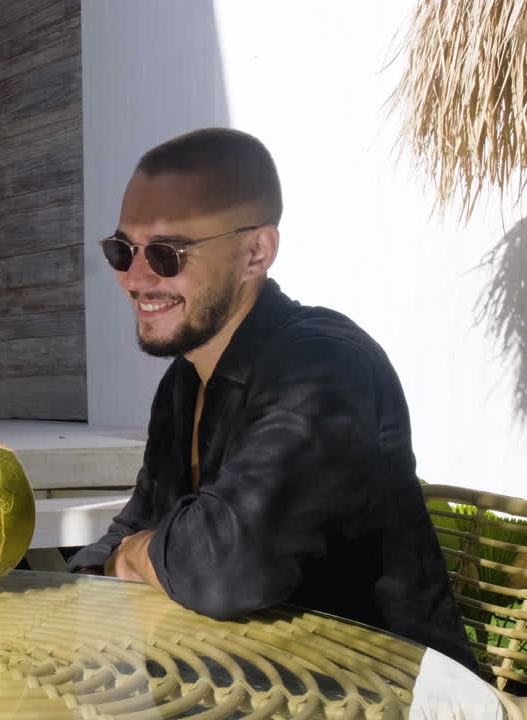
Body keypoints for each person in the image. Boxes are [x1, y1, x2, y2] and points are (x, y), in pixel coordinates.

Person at [69, 127, 475, 669]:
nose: (134, 279)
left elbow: (222, 567)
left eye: (166, 253)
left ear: (255, 252)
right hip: (239, 683)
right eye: (122, 250)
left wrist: (136, 554)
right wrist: (102, 568)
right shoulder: (183, 382)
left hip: (376, 691)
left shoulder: (326, 366)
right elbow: (134, 525)